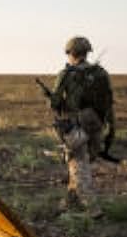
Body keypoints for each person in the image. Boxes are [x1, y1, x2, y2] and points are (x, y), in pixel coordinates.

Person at [49, 36, 115, 210]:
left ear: (70, 53)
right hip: (97, 124)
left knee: (79, 165)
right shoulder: (101, 73)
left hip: (76, 125)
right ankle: (71, 202)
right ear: (87, 52)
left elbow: (54, 103)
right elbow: (109, 102)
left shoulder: (66, 74)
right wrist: (110, 130)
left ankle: (92, 208)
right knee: (79, 164)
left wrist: (55, 101)